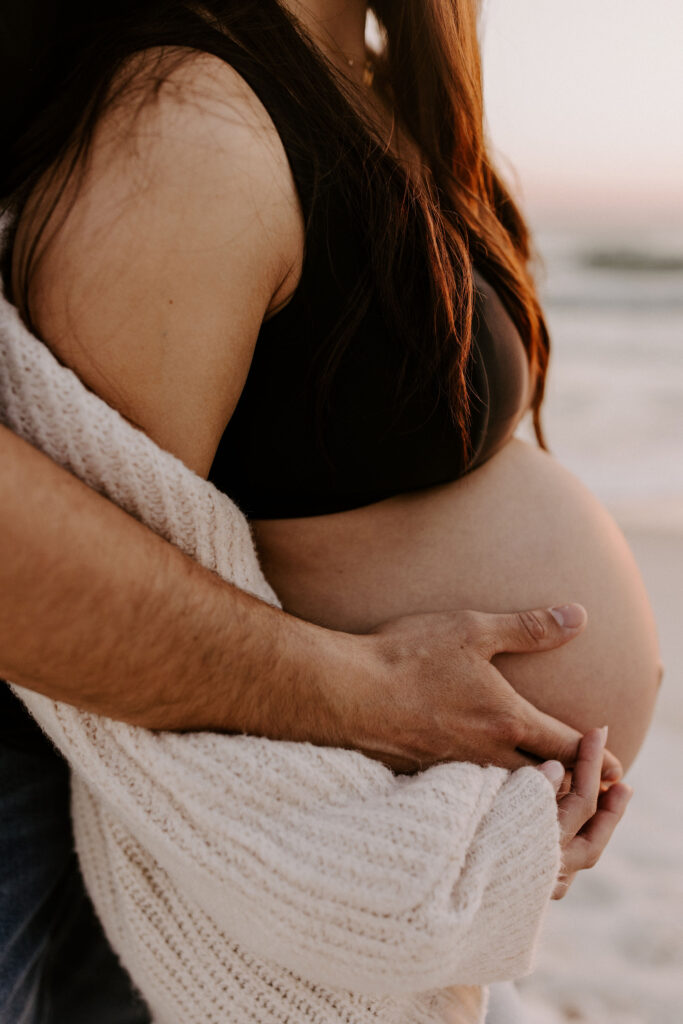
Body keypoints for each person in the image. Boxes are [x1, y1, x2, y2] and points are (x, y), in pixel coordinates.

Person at [0, 0, 660, 1020]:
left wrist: (478, 836)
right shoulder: (187, 124)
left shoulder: (369, 78)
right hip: (204, 875)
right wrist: (370, 863)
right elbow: (93, 663)